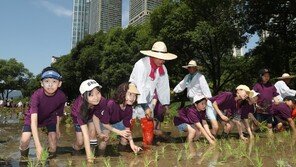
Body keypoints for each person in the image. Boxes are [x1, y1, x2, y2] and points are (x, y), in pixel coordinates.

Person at [129, 41, 177, 147]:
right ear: (152, 56)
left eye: (164, 58)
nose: (162, 61)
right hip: (132, 98)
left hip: (148, 98)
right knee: (128, 126)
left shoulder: (162, 68)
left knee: (148, 128)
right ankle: (123, 146)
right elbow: (140, 86)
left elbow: (163, 87)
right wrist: (145, 107)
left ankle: (147, 149)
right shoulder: (141, 64)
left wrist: (165, 105)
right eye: (160, 58)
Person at [19, 67, 66, 159]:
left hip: (49, 118)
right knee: (25, 140)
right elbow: (34, 121)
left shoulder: (61, 96)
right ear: (42, 83)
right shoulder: (36, 96)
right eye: (47, 81)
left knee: (53, 142)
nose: (50, 85)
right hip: (33, 118)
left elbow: (58, 114)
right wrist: (38, 146)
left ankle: (50, 160)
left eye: (54, 81)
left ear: (59, 83)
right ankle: (23, 158)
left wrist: (57, 129)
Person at [173, 60, 217, 136]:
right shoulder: (187, 77)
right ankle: (198, 135)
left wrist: (208, 100)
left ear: (195, 68)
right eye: (189, 67)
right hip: (193, 101)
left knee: (211, 120)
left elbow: (205, 88)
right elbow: (181, 85)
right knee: (198, 120)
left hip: (202, 101)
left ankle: (213, 136)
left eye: (192, 67)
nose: (190, 69)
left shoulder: (200, 76)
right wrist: (174, 91)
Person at [96, 82, 142, 155]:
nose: (133, 98)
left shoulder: (129, 108)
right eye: (130, 94)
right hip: (104, 122)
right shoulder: (111, 104)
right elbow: (105, 123)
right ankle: (100, 156)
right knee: (105, 138)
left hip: (116, 123)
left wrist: (132, 144)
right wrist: (120, 132)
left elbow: (127, 128)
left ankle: (121, 154)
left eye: (135, 95)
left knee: (124, 139)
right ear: (122, 93)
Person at [71, 79, 107, 163]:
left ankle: (92, 152)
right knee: (80, 141)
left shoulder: (102, 101)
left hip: (92, 115)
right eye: (91, 95)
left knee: (92, 132)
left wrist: (99, 132)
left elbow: (97, 117)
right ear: (83, 96)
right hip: (78, 115)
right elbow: (85, 135)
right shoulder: (80, 108)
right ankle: (75, 150)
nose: (96, 97)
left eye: (98, 93)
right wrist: (89, 159)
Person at [253, 69, 279, 133]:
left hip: (269, 109)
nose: (267, 77)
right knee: (256, 125)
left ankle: (271, 141)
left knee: (269, 125)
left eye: (268, 76)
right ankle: (252, 137)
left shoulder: (271, 86)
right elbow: (253, 95)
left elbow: (275, 95)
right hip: (259, 109)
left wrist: (276, 100)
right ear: (260, 76)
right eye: (265, 76)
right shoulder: (257, 85)